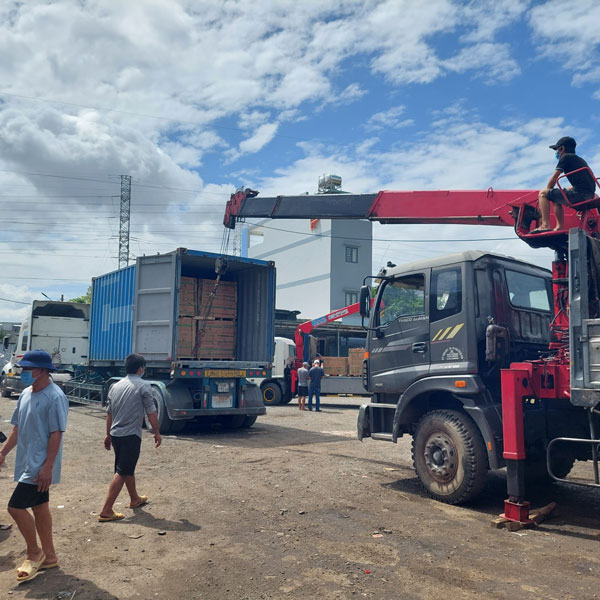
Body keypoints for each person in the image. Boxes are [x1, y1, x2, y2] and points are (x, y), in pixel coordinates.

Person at [0, 350, 68, 582]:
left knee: (15, 508)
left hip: (39, 466)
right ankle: (49, 556)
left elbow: (56, 434)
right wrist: (2, 453)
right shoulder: (26, 394)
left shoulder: (55, 397)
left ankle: (34, 552)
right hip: (27, 462)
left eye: (28, 369)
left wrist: (48, 467)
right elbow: (17, 429)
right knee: (39, 508)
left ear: (41, 371)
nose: (24, 372)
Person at [98, 353, 161, 522]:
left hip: (117, 434)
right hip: (130, 435)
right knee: (123, 471)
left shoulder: (116, 386)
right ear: (141, 369)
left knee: (126, 468)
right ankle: (106, 510)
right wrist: (156, 431)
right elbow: (151, 412)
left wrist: (108, 435)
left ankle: (135, 499)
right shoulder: (143, 386)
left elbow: (109, 413)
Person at [533, 136, 597, 233]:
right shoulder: (580, 160)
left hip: (580, 195)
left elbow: (554, 178)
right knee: (556, 196)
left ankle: (545, 225)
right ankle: (559, 227)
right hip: (589, 194)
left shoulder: (565, 157)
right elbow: (585, 182)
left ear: (562, 148)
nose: (557, 153)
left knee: (543, 193)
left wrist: (547, 191)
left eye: (557, 149)